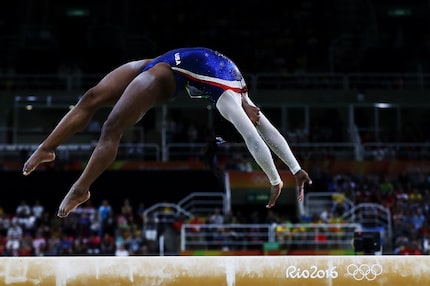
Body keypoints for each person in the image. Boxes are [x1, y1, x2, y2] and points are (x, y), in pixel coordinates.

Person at [22, 47, 312, 218]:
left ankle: (81, 188)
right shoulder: (245, 95)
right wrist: (296, 169)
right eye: (254, 116)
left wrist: (275, 180)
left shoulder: (229, 102)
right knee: (91, 97)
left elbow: (253, 137)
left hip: (163, 77)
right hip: (160, 59)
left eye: (252, 118)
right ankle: (46, 148)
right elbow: (269, 132)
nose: (256, 118)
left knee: (111, 127)